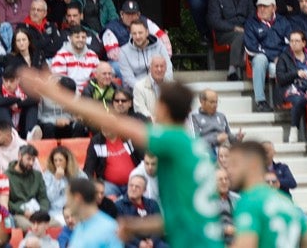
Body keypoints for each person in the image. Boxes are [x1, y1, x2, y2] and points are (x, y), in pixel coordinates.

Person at [22, 70, 221, 248]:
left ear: (164, 109)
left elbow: (111, 122)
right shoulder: (198, 147)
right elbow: (185, 216)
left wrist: (54, 93)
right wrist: (135, 226)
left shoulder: (172, 140)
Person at [226, 139, 307, 248]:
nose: (229, 170)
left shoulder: (249, 201)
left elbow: (245, 245)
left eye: (235, 164)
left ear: (253, 164)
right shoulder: (284, 201)